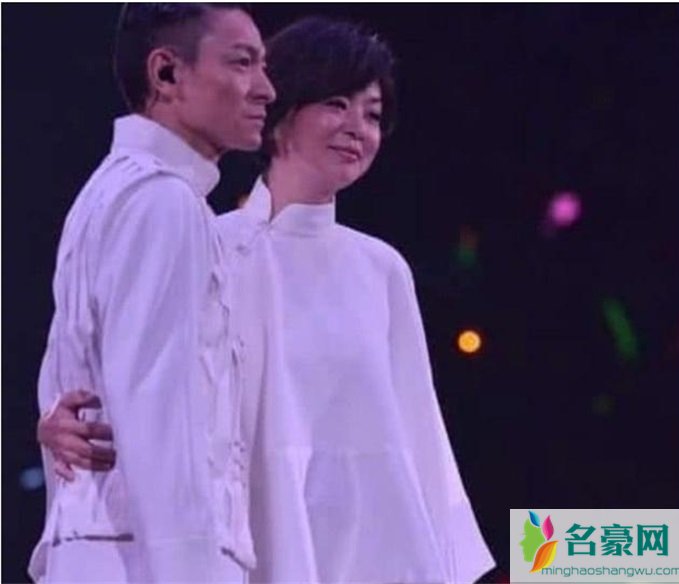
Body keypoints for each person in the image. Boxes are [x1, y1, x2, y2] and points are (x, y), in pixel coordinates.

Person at [38, 15, 495, 583]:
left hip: (365, 551)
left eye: (373, 114)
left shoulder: (382, 270)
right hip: (225, 544)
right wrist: (54, 421)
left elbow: (420, 441)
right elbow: (142, 388)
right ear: (282, 111)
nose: (357, 128)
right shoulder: (208, 241)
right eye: (336, 103)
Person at [29, 3, 275, 583]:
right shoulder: (163, 202)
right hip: (147, 558)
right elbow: (160, 414)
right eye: (242, 63)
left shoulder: (114, 191)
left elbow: (65, 389)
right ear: (166, 73)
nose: (266, 89)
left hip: (106, 549)